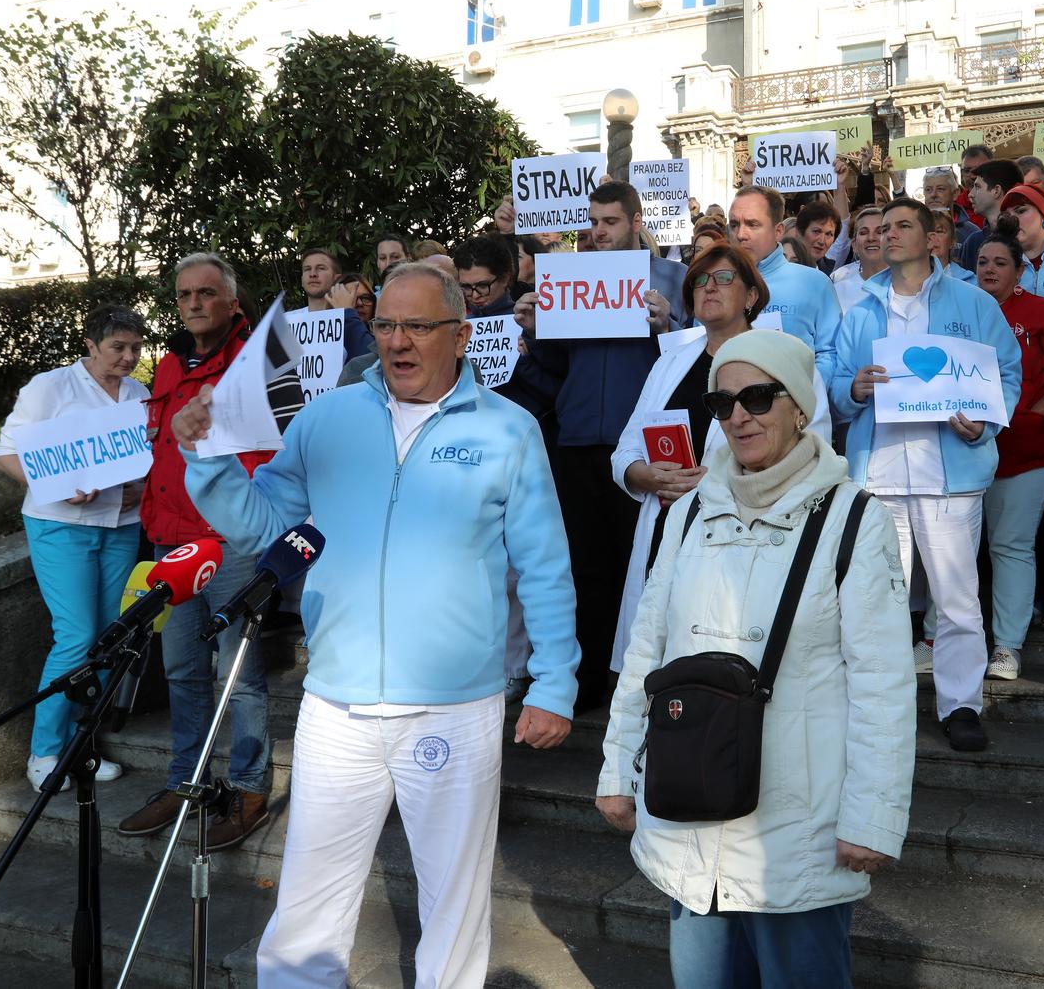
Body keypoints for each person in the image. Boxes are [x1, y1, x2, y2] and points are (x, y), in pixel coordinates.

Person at [171, 261, 580, 987]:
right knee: (307, 903)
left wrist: (554, 680)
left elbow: (544, 564)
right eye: (386, 324)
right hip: (338, 701)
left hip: (454, 708)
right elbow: (265, 525)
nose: (398, 341)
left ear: (458, 336)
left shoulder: (509, 429)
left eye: (418, 326)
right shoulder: (327, 418)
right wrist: (206, 457)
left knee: (453, 910)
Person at [597, 329, 914, 987]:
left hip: (795, 828)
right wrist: (616, 769)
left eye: (758, 396)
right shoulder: (686, 515)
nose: (739, 414)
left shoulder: (853, 520)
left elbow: (883, 684)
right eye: (723, 402)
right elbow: (645, 654)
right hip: (689, 816)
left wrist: (873, 816)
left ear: (799, 405)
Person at [831, 199, 1022, 752]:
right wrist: (854, 389)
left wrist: (983, 424)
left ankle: (960, 704)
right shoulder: (861, 309)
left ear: (933, 236)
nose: (887, 235)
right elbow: (840, 383)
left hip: (952, 476)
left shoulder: (973, 302)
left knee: (957, 598)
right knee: (878, 602)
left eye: (900, 226)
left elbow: (1007, 373)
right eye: (880, 228)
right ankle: (879, 708)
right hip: (880, 476)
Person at [115, 254, 274, 850]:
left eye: (208, 293)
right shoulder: (169, 365)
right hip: (171, 541)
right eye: (185, 295)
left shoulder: (253, 362)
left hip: (230, 540)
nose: (195, 302)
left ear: (232, 303)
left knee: (240, 674)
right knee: (182, 669)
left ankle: (250, 787)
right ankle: (187, 783)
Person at [609, 245, 833, 668]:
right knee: (653, 662)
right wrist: (645, 475)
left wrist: (716, 482)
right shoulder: (671, 362)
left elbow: (812, 450)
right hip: (666, 534)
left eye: (724, 278)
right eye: (699, 280)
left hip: (743, 537)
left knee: (719, 664)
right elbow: (626, 449)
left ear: (752, 296)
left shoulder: (784, 360)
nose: (709, 287)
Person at [512, 180, 687, 712]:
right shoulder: (568, 278)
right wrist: (536, 328)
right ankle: (589, 676)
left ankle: (642, 676)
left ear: (636, 222)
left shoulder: (673, 279)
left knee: (645, 565)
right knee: (585, 564)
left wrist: (668, 326)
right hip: (579, 438)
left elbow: (698, 349)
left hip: (640, 448)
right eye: (592, 221)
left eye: (609, 221)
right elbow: (555, 364)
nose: (597, 230)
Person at [0, 305, 148, 792]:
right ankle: (44, 752)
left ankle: (83, 745)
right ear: (89, 345)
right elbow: (5, 454)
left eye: (135, 348)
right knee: (76, 636)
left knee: (108, 637)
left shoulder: (140, 393)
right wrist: (54, 483)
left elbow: (147, 459)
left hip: (122, 525)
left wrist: (141, 491)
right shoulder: (50, 386)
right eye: (117, 348)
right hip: (60, 524)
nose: (128, 357)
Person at [973, 234, 1044, 682]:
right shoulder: (958, 313)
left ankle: (1007, 646)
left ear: (1021, 272)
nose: (989, 269)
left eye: (1001, 262)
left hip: (1027, 452)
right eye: (982, 261)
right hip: (963, 452)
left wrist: (1039, 414)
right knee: (953, 551)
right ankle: (934, 638)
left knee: (1010, 545)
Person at [728, 185, 842, 383]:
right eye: (734, 224)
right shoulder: (712, 284)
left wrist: (801, 397)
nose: (740, 234)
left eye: (753, 224)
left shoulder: (815, 283)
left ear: (778, 231)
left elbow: (831, 353)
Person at [300, 248, 377, 368]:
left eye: (366, 298)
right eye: (349, 298)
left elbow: (373, 362)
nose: (359, 303)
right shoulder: (290, 324)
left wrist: (348, 314)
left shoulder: (385, 334)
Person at [954, 159, 1024, 272]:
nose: (970, 195)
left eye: (977, 187)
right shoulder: (973, 242)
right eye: (982, 262)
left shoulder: (1025, 238)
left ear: (996, 191)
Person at [829, 206, 885, 314]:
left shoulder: (909, 285)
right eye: (864, 232)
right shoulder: (837, 287)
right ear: (854, 245)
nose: (871, 238)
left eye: (879, 232)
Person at [455, 234, 518, 319]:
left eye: (482, 286)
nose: (475, 296)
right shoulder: (457, 326)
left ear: (505, 279)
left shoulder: (527, 322)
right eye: (466, 287)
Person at [953, 143, 997, 227]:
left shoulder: (1006, 204)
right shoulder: (955, 207)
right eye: (967, 170)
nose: (973, 176)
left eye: (979, 170)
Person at [928, 209, 975, 284]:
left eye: (939, 231)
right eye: (927, 232)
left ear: (952, 241)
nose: (932, 237)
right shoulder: (904, 280)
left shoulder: (971, 282)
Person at [796, 201, 841, 275]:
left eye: (829, 234)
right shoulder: (779, 269)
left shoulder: (833, 275)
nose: (822, 241)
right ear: (799, 232)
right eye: (816, 231)